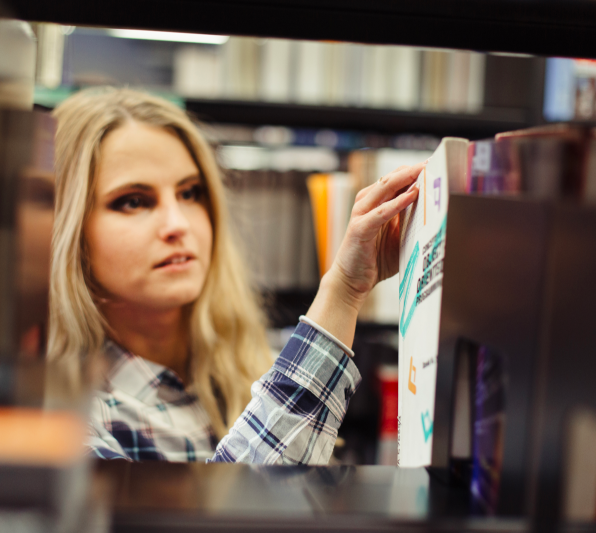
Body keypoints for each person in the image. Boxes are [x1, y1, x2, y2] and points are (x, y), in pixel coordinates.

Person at [49, 87, 422, 463]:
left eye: (190, 193)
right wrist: (342, 292)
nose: (178, 224)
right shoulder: (60, 421)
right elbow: (238, 513)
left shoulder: (252, 365)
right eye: (133, 201)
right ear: (67, 228)